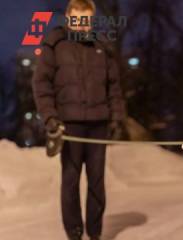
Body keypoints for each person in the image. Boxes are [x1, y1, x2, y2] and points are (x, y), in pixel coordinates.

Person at [32, 0, 125, 239]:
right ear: (68, 16)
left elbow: (114, 86)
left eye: (86, 19)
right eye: (77, 18)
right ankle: (74, 232)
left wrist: (116, 118)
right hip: (69, 124)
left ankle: (95, 233)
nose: (82, 25)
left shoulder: (102, 46)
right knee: (70, 181)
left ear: (91, 19)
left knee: (97, 182)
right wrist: (50, 117)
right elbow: (41, 83)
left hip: (98, 124)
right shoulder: (55, 42)